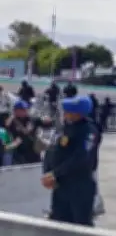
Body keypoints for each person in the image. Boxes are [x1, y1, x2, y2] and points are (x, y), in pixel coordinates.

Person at [42, 97, 99, 226]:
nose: (65, 114)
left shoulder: (89, 131)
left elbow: (81, 158)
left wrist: (55, 173)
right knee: (59, 223)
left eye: (68, 111)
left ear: (77, 113)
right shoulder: (65, 129)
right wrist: (48, 172)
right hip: (61, 186)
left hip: (79, 187)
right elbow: (52, 151)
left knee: (80, 225)